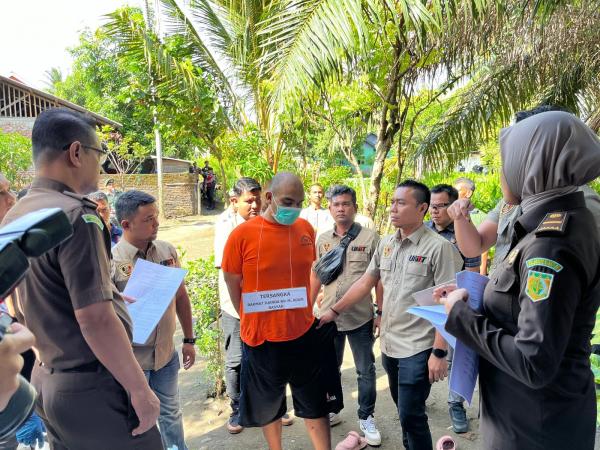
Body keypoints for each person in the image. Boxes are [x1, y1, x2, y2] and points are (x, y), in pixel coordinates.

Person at [436, 110, 600, 450]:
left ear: (535, 162)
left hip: (534, 423)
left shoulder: (550, 244)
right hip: (536, 413)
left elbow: (533, 360)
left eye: (508, 160)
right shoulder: (556, 217)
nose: (501, 173)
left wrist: (460, 316)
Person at [1, 108, 163, 449]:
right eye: (98, 154)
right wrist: (139, 390)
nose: (101, 166)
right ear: (76, 153)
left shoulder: (18, 212)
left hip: (47, 381)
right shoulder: (78, 215)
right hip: (93, 387)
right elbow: (94, 319)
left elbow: (25, 300)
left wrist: (112, 297)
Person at [319, 180, 463, 450]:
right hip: (390, 344)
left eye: (401, 203)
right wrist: (333, 311)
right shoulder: (387, 244)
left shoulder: (439, 248)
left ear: (422, 208)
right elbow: (365, 282)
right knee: (405, 412)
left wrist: (440, 353)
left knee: (412, 414)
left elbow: (449, 303)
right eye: (392, 202)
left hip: (418, 347)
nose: (392, 209)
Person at [222, 172, 342, 450]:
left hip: (302, 332)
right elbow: (232, 281)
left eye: (299, 202)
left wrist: (308, 305)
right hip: (261, 337)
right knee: (269, 407)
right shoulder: (241, 235)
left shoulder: (304, 229)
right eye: (288, 200)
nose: (294, 208)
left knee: (315, 404)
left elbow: (309, 272)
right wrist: (250, 315)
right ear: (268, 197)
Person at [112, 190, 196, 450]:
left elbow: (181, 297)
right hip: (133, 361)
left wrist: (189, 340)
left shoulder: (166, 251)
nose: (157, 223)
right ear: (126, 225)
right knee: (139, 419)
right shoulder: (112, 261)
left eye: (156, 216)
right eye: (149, 218)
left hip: (165, 355)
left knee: (171, 412)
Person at [214, 177, 293, 434]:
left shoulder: (270, 223)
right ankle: (237, 409)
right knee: (236, 359)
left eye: (258, 199)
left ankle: (276, 407)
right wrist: (242, 309)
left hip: (267, 306)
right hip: (235, 306)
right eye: (249, 201)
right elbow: (230, 273)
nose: (255, 205)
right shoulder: (226, 226)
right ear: (233, 201)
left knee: (273, 355)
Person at [310, 185, 382, 446]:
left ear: (354, 207)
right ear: (329, 208)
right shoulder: (323, 240)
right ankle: (332, 409)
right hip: (329, 317)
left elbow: (379, 281)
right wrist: (310, 305)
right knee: (331, 367)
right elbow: (317, 274)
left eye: (346, 204)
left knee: (365, 370)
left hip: (360, 316)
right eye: (336, 204)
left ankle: (366, 416)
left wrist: (380, 312)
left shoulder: (371, 239)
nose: (341, 208)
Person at [426, 184, 479, 434]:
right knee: (425, 350)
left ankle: (455, 403)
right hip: (426, 303)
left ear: (453, 205)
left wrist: (459, 306)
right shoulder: (423, 231)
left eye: (441, 206)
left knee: (458, 355)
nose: (435, 211)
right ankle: (419, 393)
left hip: (453, 304)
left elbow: (472, 273)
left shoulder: (463, 232)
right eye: (431, 206)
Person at [452, 178, 488, 274]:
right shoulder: (451, 213)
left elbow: (484, 249)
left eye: (457, 191)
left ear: (468, 193)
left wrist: (482, 273)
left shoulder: (481, 217)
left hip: (471, 269)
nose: (453, 194)